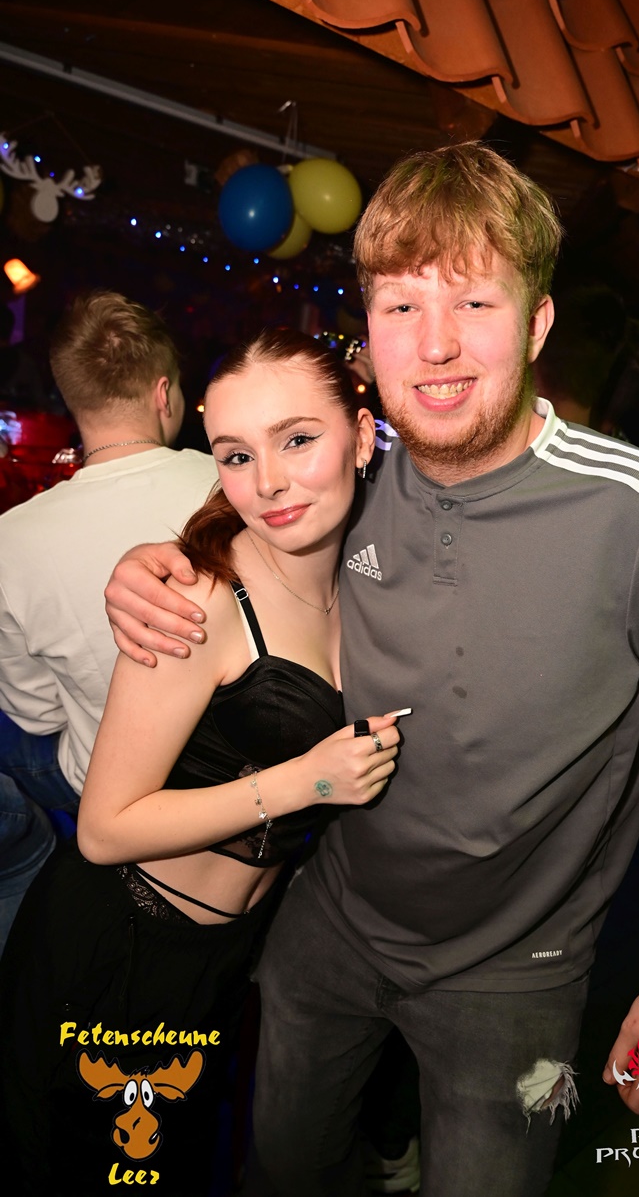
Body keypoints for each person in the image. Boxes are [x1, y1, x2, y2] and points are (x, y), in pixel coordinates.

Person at [104, 144, 639, 1197]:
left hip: (516, 975)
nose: (434, 346)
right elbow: (250, 500)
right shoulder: (357, 473)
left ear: (537, 324)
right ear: (367, 330)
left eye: (473, 301)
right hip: (331, 920)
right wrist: (154, 561)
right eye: (401, 306)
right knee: (283, 1165)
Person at [0, 327, 401, 1197]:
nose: (270, 482)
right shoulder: (197, 597)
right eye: (236, 455)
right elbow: (105, 829)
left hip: (227, 957)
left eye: (298, 439)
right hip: (124, 949)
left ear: (363, 437)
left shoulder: (365, 573)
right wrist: (306, 782)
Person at [0, 290, 219, 953]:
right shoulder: (232, 485)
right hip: (231, 774)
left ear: (74, 401)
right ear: (163, 393)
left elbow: (38, 715)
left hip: (98, 786)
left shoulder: (9, 539)